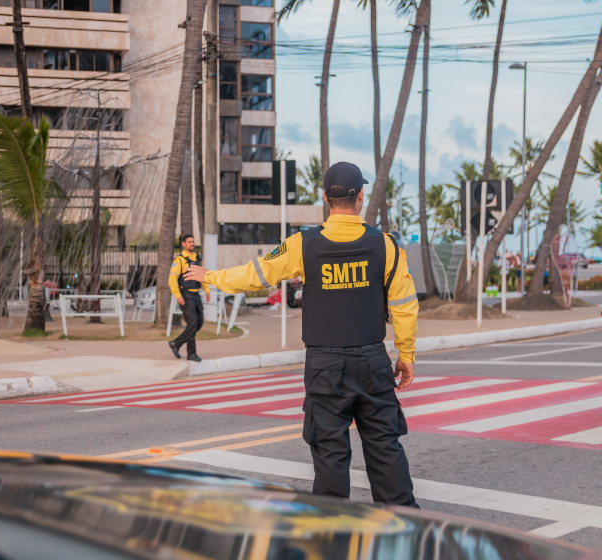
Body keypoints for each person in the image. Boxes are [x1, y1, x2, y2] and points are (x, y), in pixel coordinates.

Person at [185, 162, 420, 507]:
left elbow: (256, 274)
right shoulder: (386, 246)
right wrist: (406, 355)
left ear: (325, 198)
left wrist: (210, 276)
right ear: (360, 197)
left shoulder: (302, 244)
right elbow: (404, 305)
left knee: (330, 454)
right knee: (385, 448)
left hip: (324, 364)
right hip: (373, 362)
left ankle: (329, 532)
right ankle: (406, 527)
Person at [168, 234, 210, 363]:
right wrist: (178, 296)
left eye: (193, 241)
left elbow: (201, 276)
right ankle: (192, 354)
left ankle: (176, 343)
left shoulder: (197, 258)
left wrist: (207, 291)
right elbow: (172, 279)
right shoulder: (179, 260)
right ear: (183, 244)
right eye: (189, 242)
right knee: (192, 324)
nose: (192, 243)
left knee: (199, 323)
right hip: (186, 295)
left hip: (196, 295)